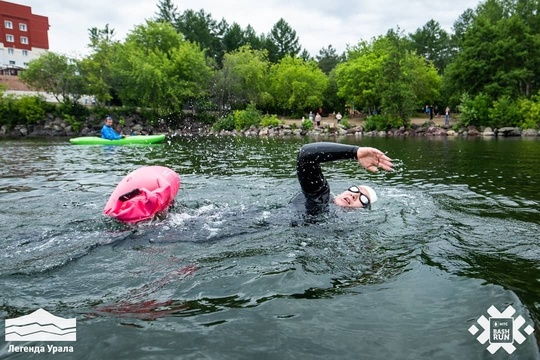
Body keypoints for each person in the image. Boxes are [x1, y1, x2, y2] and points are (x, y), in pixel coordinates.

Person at [290, 142, 393, 215]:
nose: (354, 195)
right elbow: (306, 154)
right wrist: (354, 152)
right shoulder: (318, 196)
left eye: (363, 199)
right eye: (354, 189)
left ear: (364, 209)